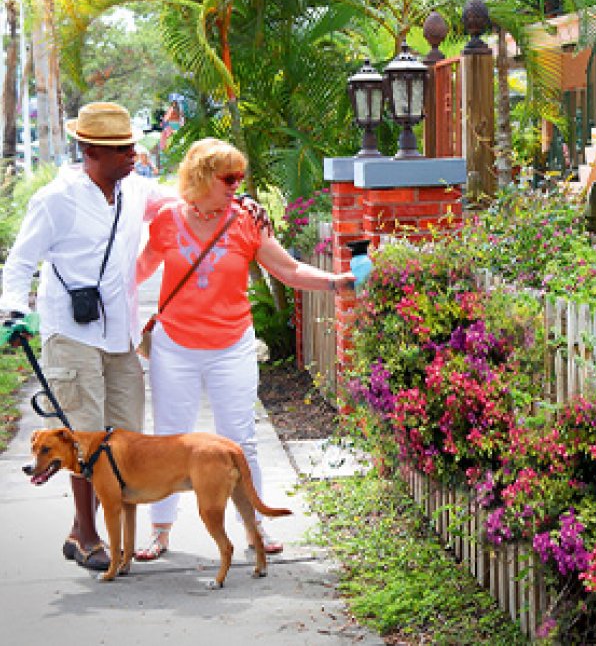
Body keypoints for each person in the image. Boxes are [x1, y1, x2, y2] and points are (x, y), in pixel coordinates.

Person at [134, 138, 355, 561]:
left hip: (230, 345)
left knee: (240, 439)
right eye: (228, 178)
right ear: (201, 177)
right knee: (168, 439)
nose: (238, 185)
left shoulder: (246, 221)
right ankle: (160, 531)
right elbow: (137, 269)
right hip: (174, 346)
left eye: (240, 177)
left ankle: (254, 524)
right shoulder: (166, 220)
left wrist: (335, 282)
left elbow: (287, 269)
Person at [0, 102, 174, 572]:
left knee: (124, 438)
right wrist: (14, 313)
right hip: (70, 333)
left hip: (120, 332)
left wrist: (235, 199)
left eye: (132, 145)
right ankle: (90, 535)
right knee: (84, 438)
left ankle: (81, 530)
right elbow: (19, 262)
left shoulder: (134, 190)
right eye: (121, 149)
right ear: (91, 151)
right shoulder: (56, 199)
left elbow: (185, 197)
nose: (133, 154)